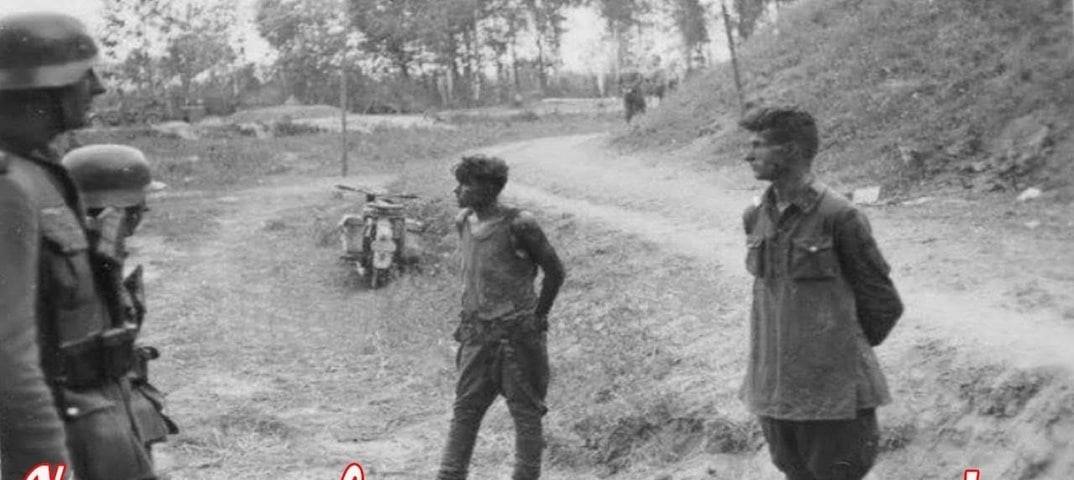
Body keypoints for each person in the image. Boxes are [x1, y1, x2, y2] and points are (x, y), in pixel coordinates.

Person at [0, 12, 157, 480]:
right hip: (62, 442)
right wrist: (44, 466)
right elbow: (8, 359)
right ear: (44, 88)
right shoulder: (11, 188)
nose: (100, 86)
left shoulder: (41, 174)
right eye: (85, 73)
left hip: (99, 422)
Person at [738, 107, 904, 480]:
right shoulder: (755, 217)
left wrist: (836, 353)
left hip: (835, 403)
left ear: (791, 151)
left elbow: (883, 303)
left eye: (759, 145)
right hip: (775, 395)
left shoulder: (840, 216)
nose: (748, 155)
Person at [437, 154, 566, 480]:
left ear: (487, 188)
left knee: (526, 415)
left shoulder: (520, 225)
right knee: (465, 412)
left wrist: (538, 317)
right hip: (476, 337)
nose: (457, 191)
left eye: (464, 185)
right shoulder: (464, 222)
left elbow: (555, 272)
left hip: (518, 340)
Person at [62, 144, 179, 456]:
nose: (141, 215)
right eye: (139, 207)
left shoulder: (92, 255)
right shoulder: (89, 265)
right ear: (124, 211)